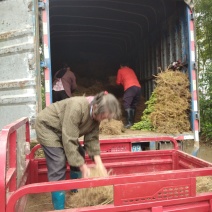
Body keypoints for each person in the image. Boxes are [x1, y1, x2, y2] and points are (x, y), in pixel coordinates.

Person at [35, 91, 121, 210]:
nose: (103, 120)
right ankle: (59, 207)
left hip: (63, 130)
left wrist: (100, 164)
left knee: (79, 153)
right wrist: (83, 167)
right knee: (58, 162)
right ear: (95, 107)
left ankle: (75, 192)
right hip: (48, 127)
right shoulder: (77, 107)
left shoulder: (96, 116)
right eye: (102, 117)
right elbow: (69, 139)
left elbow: (92, 140)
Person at [116, 62, 141, 128]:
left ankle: (129, 123)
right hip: (138, 88)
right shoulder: (131, 70)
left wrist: (122, 83)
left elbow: (118, 82)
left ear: (120, 65)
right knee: (133, 105)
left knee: (126, 104)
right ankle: (132, 123)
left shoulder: (120, 70)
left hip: (130, 88)